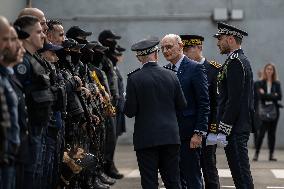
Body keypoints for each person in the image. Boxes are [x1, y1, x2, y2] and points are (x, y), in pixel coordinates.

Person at [124, 36, 187, 189]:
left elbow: (130, 112)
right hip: (170, 137)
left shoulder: (134, 78)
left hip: (146, 139)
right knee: (173, 181)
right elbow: (182, 105)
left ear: (139, 57)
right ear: (156, 54)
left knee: (149, 182)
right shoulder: (172, 75)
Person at [161, 34, 210, 189]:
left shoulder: (195, 68)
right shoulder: (165, 70)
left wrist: (199, 132)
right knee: (175, 178)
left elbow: (204, 103)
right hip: (170, 134)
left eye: (169, 46)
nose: (165, 51)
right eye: (162, 48)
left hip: (189, 135)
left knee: (193, 176)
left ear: (180, 46)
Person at [213, 22, 254, 188]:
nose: (218, 42)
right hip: (236, 127)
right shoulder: (234, 60)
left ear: (230, 39)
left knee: (241, 176)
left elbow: (234, 99)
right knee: (239, 175)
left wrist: (224, 128)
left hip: (235, 128)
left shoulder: (236, 62)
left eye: (220, 39)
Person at [180, 34, 220, 189]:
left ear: (199, 48)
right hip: (189, 128)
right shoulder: (182, 69)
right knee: (188, 169)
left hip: (208, 127)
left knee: (208, 166)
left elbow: (217, 103)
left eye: (189, 49)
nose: (186, 53)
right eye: (184, 50)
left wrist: (213, 130)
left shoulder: (214, 69)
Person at [253, 63, 282, 161]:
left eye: (271, 69)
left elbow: (280, 97)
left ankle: (271, 155)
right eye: (268, 69)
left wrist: (265, 94)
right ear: (265, 70)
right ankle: (256, 153)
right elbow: (260, 97)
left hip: (274, 111)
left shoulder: (277, 83)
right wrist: (273, 95)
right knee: (261, 133)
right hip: (263, 111)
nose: (269, 71)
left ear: (273, 71)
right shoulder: (259, 83)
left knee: (272, 134)